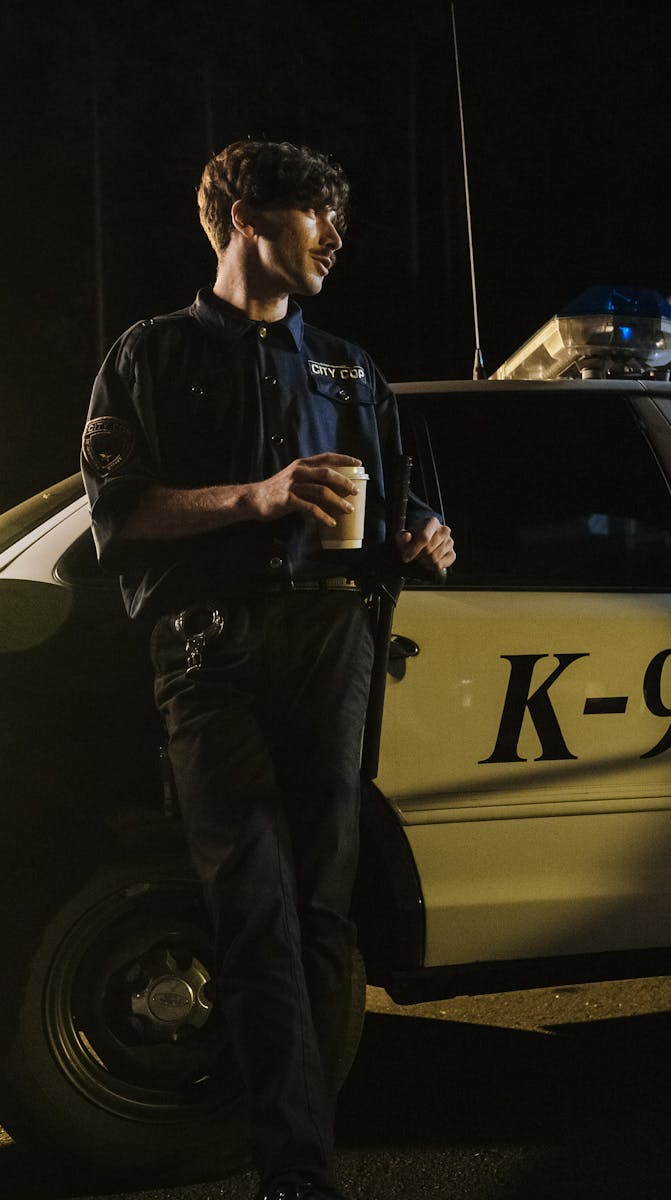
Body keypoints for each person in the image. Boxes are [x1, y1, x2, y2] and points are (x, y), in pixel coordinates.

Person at [80, 140, 455, 1200]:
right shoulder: (148, 355)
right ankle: (296, 1173)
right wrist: (254, 497)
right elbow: (122, 513)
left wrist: (425, 535)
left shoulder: (349, 365)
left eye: (336, 222)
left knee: (324, 908)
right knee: (253, 904)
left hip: (332, 643)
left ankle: (303, 1154)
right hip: (210, 649)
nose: (334, 238)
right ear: (247, 216)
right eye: (312, 216)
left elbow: (402, 503)